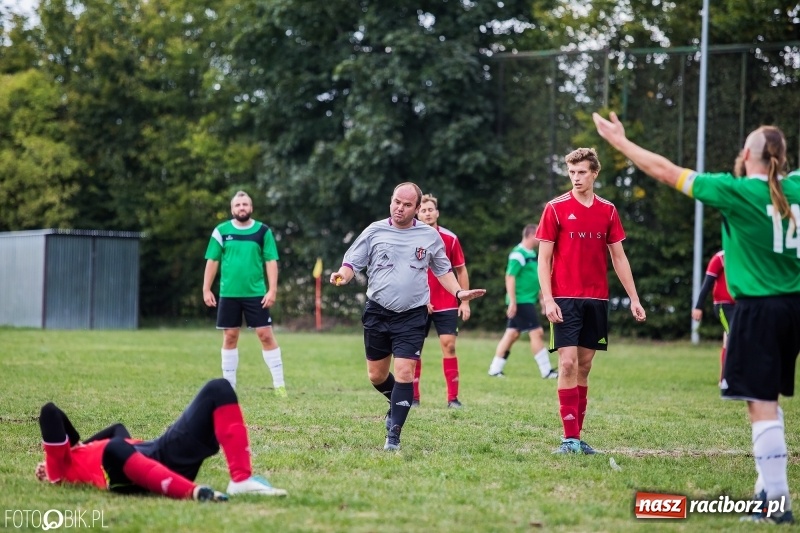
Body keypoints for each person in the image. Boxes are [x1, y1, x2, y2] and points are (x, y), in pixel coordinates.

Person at [593, 113, 800, 524]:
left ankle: (776, 504)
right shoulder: (794, 187)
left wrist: (621, 143)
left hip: (758, 310)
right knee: (768, 400)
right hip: (793, 307)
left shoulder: (734, 190)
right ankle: (766, 491)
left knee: (760, 404)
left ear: (747, 154)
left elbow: (666, 171)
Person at [330, 182, 486, 451]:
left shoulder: (429, 236)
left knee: (405, 372)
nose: (400, 208)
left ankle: (393, 436)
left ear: (416, 208)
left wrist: (459, 293)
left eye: (407, 205)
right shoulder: (375, 230)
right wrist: (343, 276)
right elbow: (351, 262)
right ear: (391, 201)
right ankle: (395, 404)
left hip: (413, 314)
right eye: (396, 202)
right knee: (376, 376)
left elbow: (443, 270)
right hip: (378, 311)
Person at [536, 147, 647, 455]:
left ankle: (577, 438)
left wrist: (634, 298)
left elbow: (619, 258)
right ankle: (569, 439)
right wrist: (548, 299)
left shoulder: (608, 211)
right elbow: (543, 259)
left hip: (596, 299)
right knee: (567, 363)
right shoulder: (555, 208)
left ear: (594, 173)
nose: (576, 177)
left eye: (582, 172)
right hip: (564, 298)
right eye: (571, 172)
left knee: (584, 367)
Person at [36, 379, 288, 500]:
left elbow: (117, 429)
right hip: (139, 469)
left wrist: (80, 444)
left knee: (219, 389)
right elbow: (50, 411)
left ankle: (241, 480)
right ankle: (197, 491)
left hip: (163, 451)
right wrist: (54, 463)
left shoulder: (86, 450)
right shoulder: (59, 468)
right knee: (115, 448)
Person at [203, 191, 286, 396]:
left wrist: (272, 290)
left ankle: (279, 386)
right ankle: (229, 388)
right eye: (238, 205)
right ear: (232, 209)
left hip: (256, 294)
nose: (242, 208)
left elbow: (271, 261)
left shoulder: (263, 231)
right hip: (229, 294)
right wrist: (206, 288)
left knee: (265, 335)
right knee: (230, 337)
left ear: (251, 207)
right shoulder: (221, 231)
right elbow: (212, 260)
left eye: (245, 204)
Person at [415, 193, 470, 408]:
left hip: (446, 301)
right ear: (417, 214)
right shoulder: (411, 238)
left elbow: (461, 270)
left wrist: (464, 301)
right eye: (423, 210)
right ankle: (413, 398)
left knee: (449, 346)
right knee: (413, 350)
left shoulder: (450, 238)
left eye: (431, 210)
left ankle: (452, 399)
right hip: (418, 303)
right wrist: (420, 298)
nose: (427, 213)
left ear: (437, 213)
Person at [488, 224, 558, 380]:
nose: (541, 239)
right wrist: (512, 301)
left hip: (528, 300)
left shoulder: (532, 254)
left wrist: (542, 299)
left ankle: (494, 369)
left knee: (512, 334)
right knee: (537, 332)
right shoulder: (517, 254)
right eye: (538, 235)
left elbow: (535, 279)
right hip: (521, 301)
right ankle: (546, 371)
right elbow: (510, 276)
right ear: (531, 235)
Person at [692, 250, 736, 384]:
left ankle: (729, 377)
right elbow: (707, 284)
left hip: (740, 305)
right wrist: (698, 307)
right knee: (733, 335)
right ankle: (725, 379)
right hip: (724, 306)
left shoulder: (744, 255)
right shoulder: (720, 258)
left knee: (730, 339)